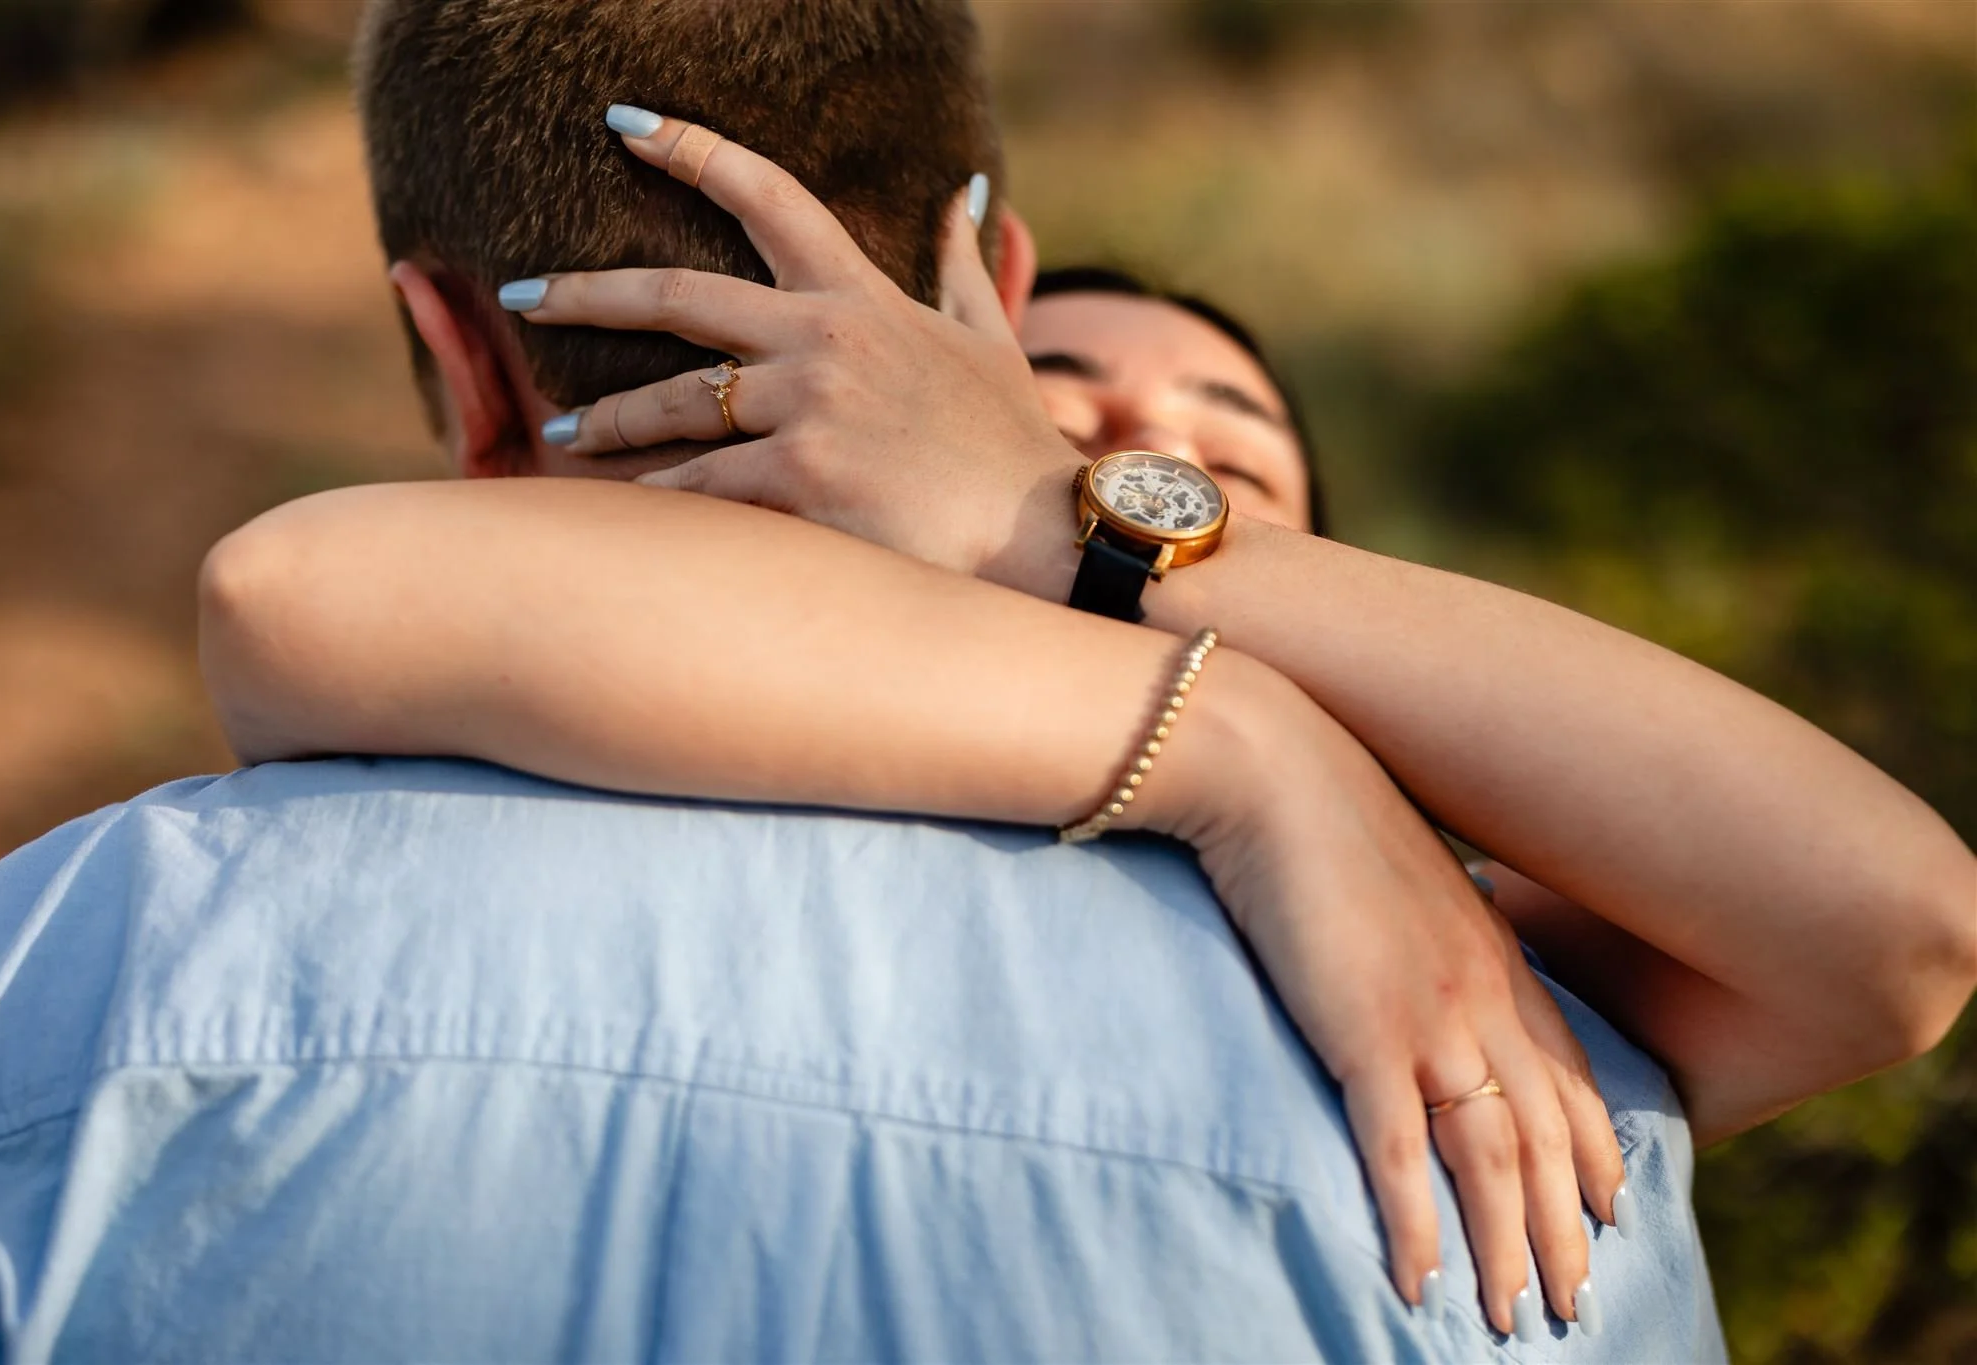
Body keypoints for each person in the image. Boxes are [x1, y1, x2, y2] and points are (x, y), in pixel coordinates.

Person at [199, 75, 1975, 1338]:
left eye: (1217, 467)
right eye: (1056, 403)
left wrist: (1047, 509)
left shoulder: (1473, 980)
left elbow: (1902, 929)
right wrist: (1238, 736)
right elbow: (306, 589)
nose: (1140, 447)